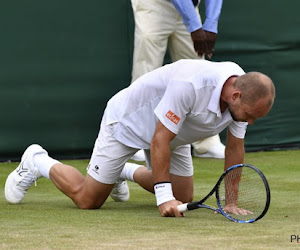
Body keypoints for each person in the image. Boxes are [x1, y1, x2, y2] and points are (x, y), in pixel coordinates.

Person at [5, 59, 276, 217]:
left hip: (174, 134)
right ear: (236, 95)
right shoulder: (191, 84)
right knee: (88, 200)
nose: (250, 122)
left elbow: (234, 148)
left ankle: (121, 171)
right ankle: (37, 160)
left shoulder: (242, 96)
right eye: (250, 115)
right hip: (129, 122)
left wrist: (230, 201)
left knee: (182, 196)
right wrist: (162, 198)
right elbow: (159, 139)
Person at [130, 0, 225, 161]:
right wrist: (195, 26)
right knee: (146, 71)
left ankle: (206, 143)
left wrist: (211, 24)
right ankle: (133, 142)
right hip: (153, 5)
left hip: (190, 6)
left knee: (198, 71)